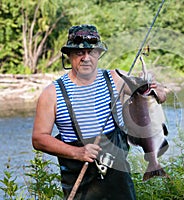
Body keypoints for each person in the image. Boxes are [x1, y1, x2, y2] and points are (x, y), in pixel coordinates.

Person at [32, 24, 137, 199]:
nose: (86, 58)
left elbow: (155, 94)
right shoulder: (51, 93)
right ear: (69, 55)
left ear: (99, 54)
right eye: (79, 53)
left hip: (119, 184)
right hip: (80, 185)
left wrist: (157, 90)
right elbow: (39, 139)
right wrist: (78, 152)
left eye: (92, 52)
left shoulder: (117, 79)